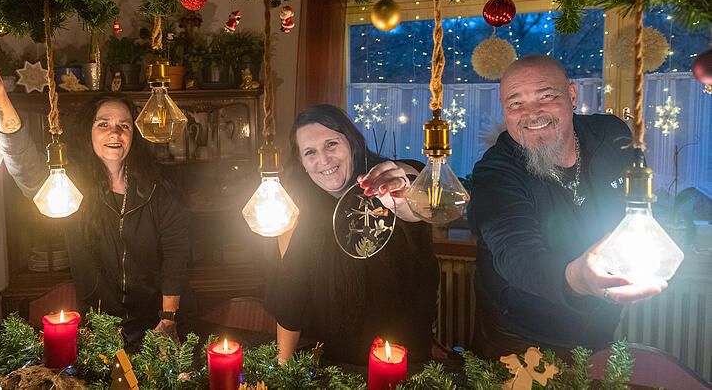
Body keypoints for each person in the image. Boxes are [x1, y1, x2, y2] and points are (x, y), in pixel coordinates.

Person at [0, 49, 191, 345]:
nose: (114, 133)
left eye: (124, 125)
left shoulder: (158, 187)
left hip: (161, 320)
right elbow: (24, 166)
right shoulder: (67, 187)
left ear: (135, 134)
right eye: (103, 124)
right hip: (102, 326)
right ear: (89, 132)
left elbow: (176, 255)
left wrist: (167, 321)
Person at [468, 55, 667, 358]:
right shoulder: (494, 173)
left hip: (601, 326)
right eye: (515, 103)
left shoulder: (611, 135)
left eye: (546, 96)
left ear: (572, 95)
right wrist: (577, 278)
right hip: (518, 337)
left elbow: (639, 208)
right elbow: (517, 254)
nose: (532, 114)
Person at [264, 104, 439, 365]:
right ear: (301, 162)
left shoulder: (384, 179)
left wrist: (402, 193)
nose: (323, 160)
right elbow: (291, 291)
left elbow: (417, 198)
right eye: (310, 152)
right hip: (333, 362)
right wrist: (281, 366)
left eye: (331, 144)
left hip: (402, 359)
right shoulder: (300, 210)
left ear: (352, 142)